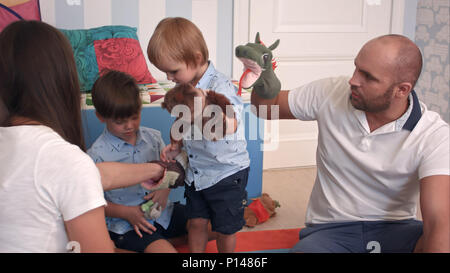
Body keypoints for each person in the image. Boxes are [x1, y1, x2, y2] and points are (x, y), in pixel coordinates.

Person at [249, 34, 449, 253]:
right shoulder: (330, 92)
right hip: (331, 231)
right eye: (356, 68)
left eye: (368, 76)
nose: (353, 80)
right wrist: (262, 76)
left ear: (402, 90)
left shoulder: (433, 135)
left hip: (397, 230)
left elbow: (439, 220)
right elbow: (267, 107)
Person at [0, 21, 166, 253]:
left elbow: (95, 174)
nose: (129, 125)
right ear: (64, 81)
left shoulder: (59, 161)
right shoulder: (66, 160)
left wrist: (160, 169)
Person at [147, 17, 250, 253]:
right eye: (165, 72)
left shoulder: (220, 86)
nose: (169, 78)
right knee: (195, 222)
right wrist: (176, 145)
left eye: (173, 71)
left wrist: (209, 109)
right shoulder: (184, 88)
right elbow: (183, 119)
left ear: (195, 59)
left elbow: (232, 124)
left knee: (225, 228)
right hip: (198, 171)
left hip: (227, 172)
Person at [88, 70, 191, 253]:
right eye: (120, 121)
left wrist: (165, 190)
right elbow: (93, 204)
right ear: (101, 117)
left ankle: (165, 241)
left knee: (213, 224)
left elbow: (170, 169)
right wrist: (126, 213)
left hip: (163, 213)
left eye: (134, 117)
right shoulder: (96, 155)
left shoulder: (153, 137)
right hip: (129, 225)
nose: (129, 126)